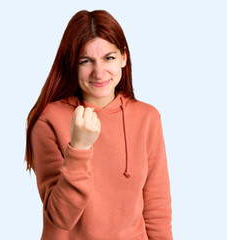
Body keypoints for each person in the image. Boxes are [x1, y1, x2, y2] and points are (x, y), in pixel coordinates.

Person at [25, 10, 172, 239]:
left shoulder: (148, 118)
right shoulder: (49, 120)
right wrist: (79, 149)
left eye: (108, 58)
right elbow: (61, 217)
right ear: (72, 64)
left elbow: (156, 211)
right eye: (86, 61)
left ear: (124, 57)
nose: (99, 72)